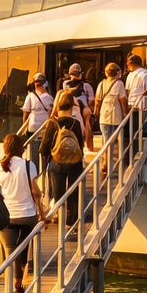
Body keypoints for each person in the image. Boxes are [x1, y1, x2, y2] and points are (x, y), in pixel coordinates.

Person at [0, 132, 48, 293]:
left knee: (11, 249)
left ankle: (13, 283)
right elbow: (35, 192)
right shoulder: (28, 164)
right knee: (23, 248)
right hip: (27, 215)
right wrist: (42, 213)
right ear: (21, 149)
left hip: (7, 215)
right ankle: (18, 282)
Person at [39, 91, 86, 224]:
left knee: (58, 193)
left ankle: (58, 218)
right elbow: (80, 146)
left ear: (58, 106)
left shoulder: (53, 123)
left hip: (57, 163)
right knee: (74, 192)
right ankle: (72, 222)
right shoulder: (75, 124)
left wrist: (50, 158)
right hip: (74, 163)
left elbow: (43, 148)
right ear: (72, 106)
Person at [20, 74, 54, 164]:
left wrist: (24, 127)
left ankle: (34, 171)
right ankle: (44, 171)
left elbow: (25, 114)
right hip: (45, 129)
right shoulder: (50, 98)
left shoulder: (30, 96)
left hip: (33, 129)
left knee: (33, 155)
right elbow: (51, 115)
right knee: (45, 153)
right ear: (45, 84)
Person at [63, 63, 96, 150]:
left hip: (69, 110)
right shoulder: (86, 85)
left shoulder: (65, 84)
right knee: (87, 127)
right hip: (83, 109)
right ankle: (90, 149)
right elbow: (91, 101)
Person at [124, 53, 147, 139]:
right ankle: (135, 148)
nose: (127, 65)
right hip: (139, 105)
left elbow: (127, 91)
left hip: (134, 105)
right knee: (136, 130)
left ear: (132, 63)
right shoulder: (144, 73)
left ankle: (134, 148)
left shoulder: (141, 74)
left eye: (128, 64)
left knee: (134, 130)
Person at [97, 62, 127, 147]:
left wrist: (96, 113)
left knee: (106, 141)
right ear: (117, 72)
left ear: (106, 73)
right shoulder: (119, 83)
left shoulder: (101, 84)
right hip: (116, 116)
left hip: (103, 116)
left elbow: (97, 101)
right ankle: (116, 159)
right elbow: (123, 99)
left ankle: (106, 159)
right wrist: (125, 112)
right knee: (117, 140)